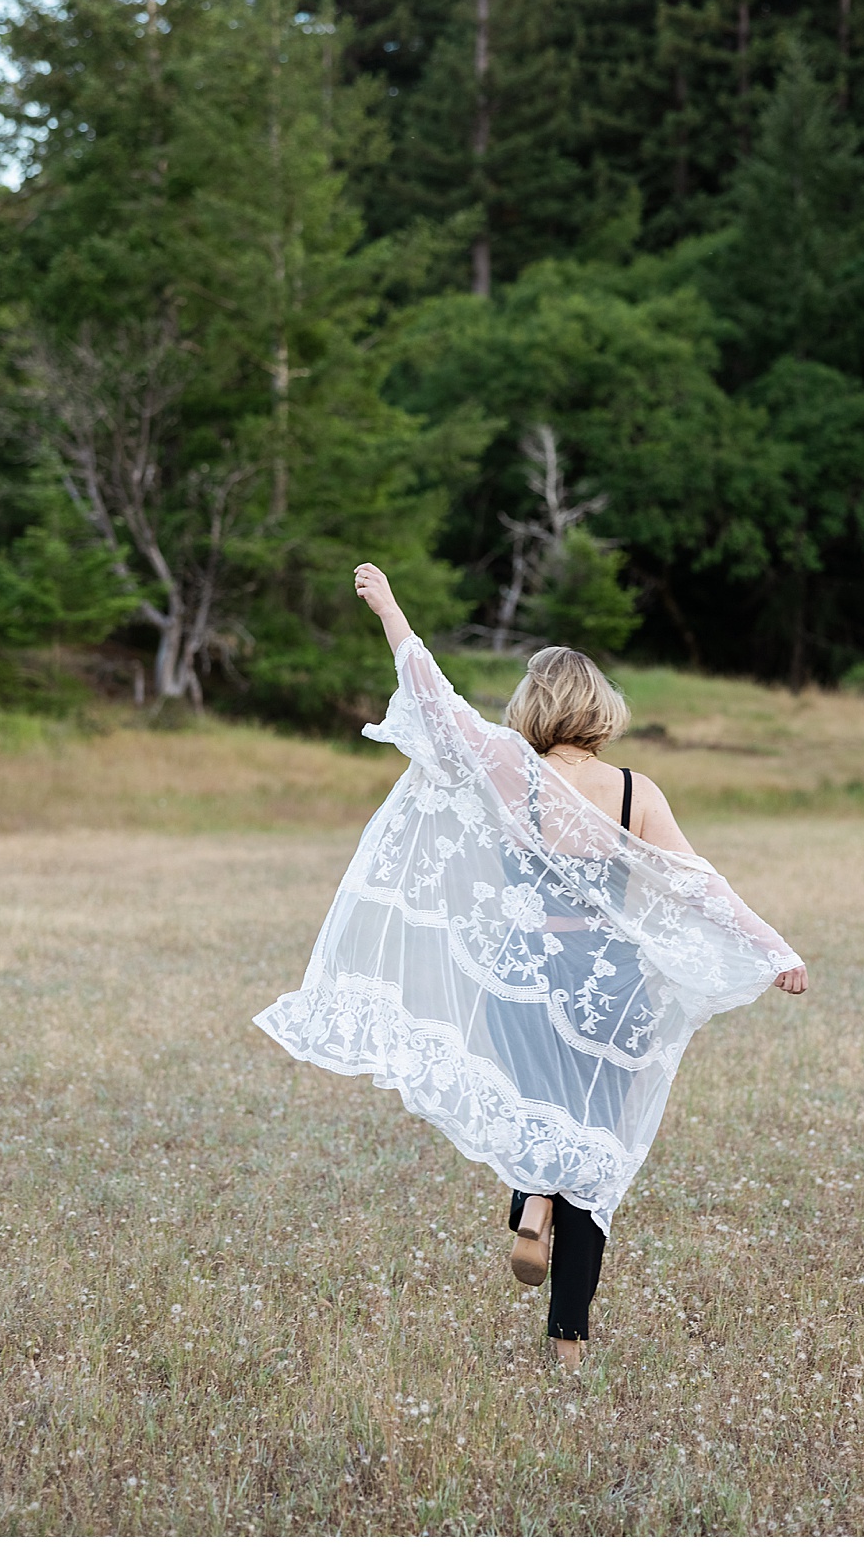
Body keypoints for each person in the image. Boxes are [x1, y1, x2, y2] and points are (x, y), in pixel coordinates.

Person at [255, 564, 807, 1372]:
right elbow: (699, 886)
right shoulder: (634, 791)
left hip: (521, 976)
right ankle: (570, 1346)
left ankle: (530, 1199)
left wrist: (394, 611)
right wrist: (774, 947)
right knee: (591, 1152)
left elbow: (435, 702)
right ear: (601, 711)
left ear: (534, 706)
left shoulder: (511, 769)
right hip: (607, 988)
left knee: (530, 1113)